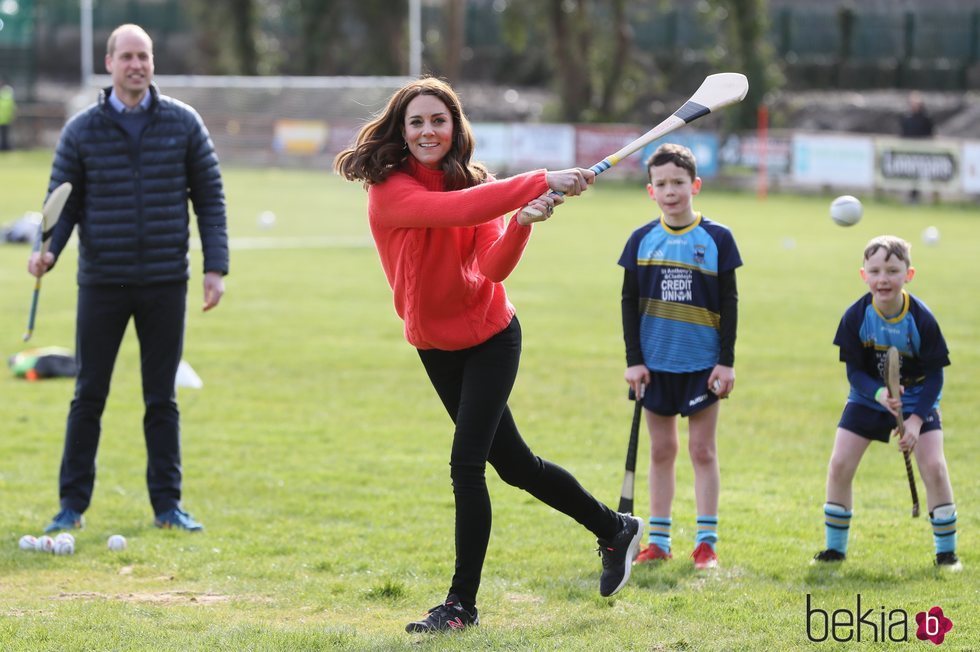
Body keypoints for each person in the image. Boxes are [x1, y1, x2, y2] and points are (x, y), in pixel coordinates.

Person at [334, 77, 643, 633]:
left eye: (439, 120)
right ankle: (613, 528)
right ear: (402, 133)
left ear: (455, 128)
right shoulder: (391, 191)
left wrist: (521, 224)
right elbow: (456, 211)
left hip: (491, 337)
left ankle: (461, 606)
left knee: (466, 464)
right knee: (517, 466)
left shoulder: (481, 184)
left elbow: (493, 268)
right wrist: (539, 181)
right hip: (435, 344)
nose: (429, 131)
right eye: (417, 122)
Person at [28, 24, 228, 534]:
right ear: (110, 62)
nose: (136, 64)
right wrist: (45, 252)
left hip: (165, 281)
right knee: (88, 395)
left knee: (161, 399)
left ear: (152, 63)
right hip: (102, 283)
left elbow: (209, 198)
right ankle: (70, 507)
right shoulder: (81, 130)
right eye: (127, 56)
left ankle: (168, 507)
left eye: (144, 56)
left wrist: (215, 268)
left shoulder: (184, 124)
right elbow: (61, 204)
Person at [619, 143, 741, 570]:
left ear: (696, 185)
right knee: (661, 451)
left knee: (702, 451)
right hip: (655, 365)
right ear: (650, 191)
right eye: (662, 184)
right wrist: (634, 360)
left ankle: (706, 541)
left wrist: (725, 362)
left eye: (678, 183)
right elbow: (628, 303)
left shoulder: (718, 239)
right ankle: (660, 540)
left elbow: (729, 303)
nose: (670, 191)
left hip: (703, 365)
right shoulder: (640, 240)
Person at [813, 235, 960, 571]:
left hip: (918, 398)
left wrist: (915, 421)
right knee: (839, 464)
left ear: (909, 275)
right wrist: (880, 393)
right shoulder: (855, 316)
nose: (883, 279)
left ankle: (946, 554)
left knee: (934, 467)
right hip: (869, 398)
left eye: (893, 270)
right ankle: (834, 550)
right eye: (875, 270)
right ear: (863, 275)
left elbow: (936, 377)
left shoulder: (921, 319)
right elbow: (855, 372)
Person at [899, 91, 934, 203]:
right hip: (909, 151)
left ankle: (918, 196)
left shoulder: (926, 118)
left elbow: (930, 134)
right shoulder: (906, 118)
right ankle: (910, 196)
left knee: (918, 175)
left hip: (921, 151)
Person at [0, 79, 16, 151]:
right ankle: (5, 147)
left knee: (5, 135)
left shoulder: (6, 93)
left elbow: (11, 106)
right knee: (4, 135)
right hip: (5, 118)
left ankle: (5, 147)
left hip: (5, 119)